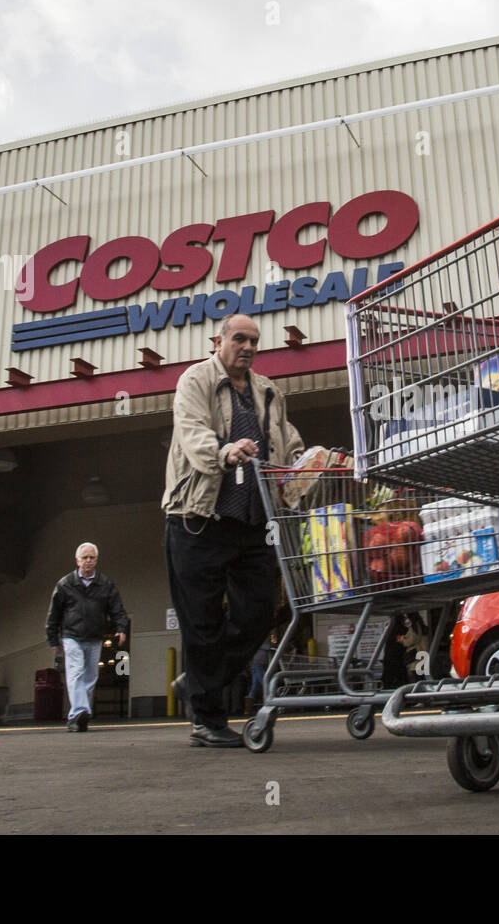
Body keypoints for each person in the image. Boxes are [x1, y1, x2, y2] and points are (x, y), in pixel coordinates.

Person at [164, 314, 304, 747]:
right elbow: (192, 433)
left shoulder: (268, 391)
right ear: (219, 340)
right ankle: (207, 721)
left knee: (259, 614)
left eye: (254, 341)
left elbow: (286, 441)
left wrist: (307, 462)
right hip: (197, 518)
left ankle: (198, 682)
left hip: (252, 521)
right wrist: (224, 452)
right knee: (201, 624)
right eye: (239, 338)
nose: (247, 347)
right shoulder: (195, 380)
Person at [46, 542, 129, 732]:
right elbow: (54, 614)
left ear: (97, 560)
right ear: (77, 561)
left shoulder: (106, 584)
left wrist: (121, 628)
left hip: (95, 637)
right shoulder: (65, 584)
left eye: (92, 558)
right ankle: (81, 711)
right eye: (84, 558)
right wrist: (52, 638)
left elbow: (117, 609)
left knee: (91, 676)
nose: (88, 561)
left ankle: (76, 718)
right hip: (71, 636)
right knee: (76, 672)